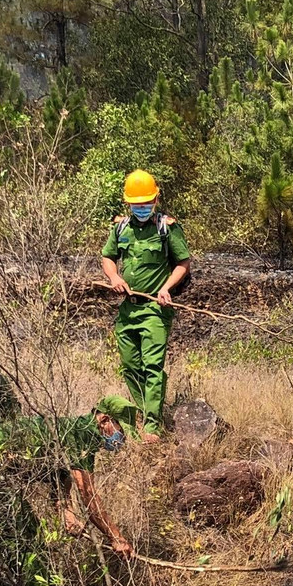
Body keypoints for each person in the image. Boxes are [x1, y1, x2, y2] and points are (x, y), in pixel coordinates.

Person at [0, 395, 136, 559]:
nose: (122, 439)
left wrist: (66, 511)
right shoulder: (82, 436)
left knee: (26, 538)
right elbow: (88, 496)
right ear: (105, 420)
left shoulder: (72, 432)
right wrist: (116, 537)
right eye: (121, 431)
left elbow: (61, 479)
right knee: (24, 539)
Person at [101, 169, 192, 444]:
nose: (141, 209)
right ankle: (143, 412)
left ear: (155, 199)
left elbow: (183, 263)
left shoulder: (168, 227)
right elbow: (108, 257)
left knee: (152, 367)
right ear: (127, 204)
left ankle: (152, 426)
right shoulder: (120, 227)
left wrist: (166, 288)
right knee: (130, 367)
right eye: (136, 205)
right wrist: (114, 276)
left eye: (146, 204)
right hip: (128, 309)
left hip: (155, 308)